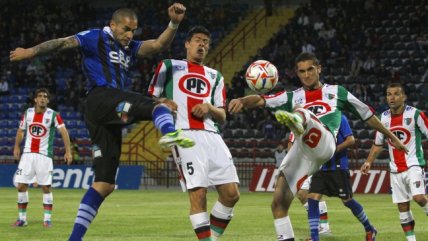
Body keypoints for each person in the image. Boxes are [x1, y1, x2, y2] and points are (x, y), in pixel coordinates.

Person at [10, 4, 194, 240]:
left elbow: (158, 45)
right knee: (161, 105)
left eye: (133, 31)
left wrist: (174, 23)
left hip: (106, 115)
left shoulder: (130, 47)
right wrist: (31, 52)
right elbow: (62, 42)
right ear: (113, 24)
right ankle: (170, 132)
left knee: (104, 184)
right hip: (100, 98)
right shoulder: (94, 36)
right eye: (126, 29)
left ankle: (74, 238)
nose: (129, 35)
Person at [228, 52, 407, 241]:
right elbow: (260, 100)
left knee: (301, 112)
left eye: (310, 69)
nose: (306, 75)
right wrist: (242, 101)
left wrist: (392, 137)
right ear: (297, 74)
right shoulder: (293, 95)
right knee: (278, 202)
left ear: (319, 68)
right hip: (303, 151)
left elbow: (368, 115)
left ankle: (298, 120)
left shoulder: (338, 92)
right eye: (302, 71)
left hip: (325, 144)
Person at [148, 26, 240, 240]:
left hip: (212, 136)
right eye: (198, 40)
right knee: (199, 195)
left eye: (206, 41)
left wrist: (209, 107)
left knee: (231, 195)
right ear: (187, 44)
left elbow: (223, 114)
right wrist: (164, 102)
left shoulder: (215, 76)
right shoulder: (169, 66)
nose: (202, 44)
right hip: (185, 135)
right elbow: (151, 98)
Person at [361, 83, 428, 241]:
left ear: (403, 97)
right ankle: (411, 240)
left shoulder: (415, 115)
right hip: (395, 169)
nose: (392, 97)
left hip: (413, 164)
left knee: (419, 198)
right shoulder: (383, 118)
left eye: (396, 94)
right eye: (388, 94)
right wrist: (369, 162)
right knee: (403, 205)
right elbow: (378, 144)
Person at [301, 115, 375, 241]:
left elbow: (350, 140)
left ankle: (369, 229)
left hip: (338, 166)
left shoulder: (340, 118)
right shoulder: (315, 120)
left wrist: (333, 150)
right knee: (312, 198)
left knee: (347, 200)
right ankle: (315, 237)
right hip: (320, 167)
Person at [13, 88, 72, 228]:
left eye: (45, 96)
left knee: (46, 187)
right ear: (35, 99)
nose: (42, 98)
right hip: (27, 155)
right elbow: (21, 131)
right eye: (40, 96)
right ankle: (22, 219)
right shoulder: (28, 113)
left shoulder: (53, 115)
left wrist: (68, 151)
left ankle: (47, 220)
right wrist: (16, 146)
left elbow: (64, 131)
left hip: (44, 156)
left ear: (48, 100)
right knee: (21, 186)